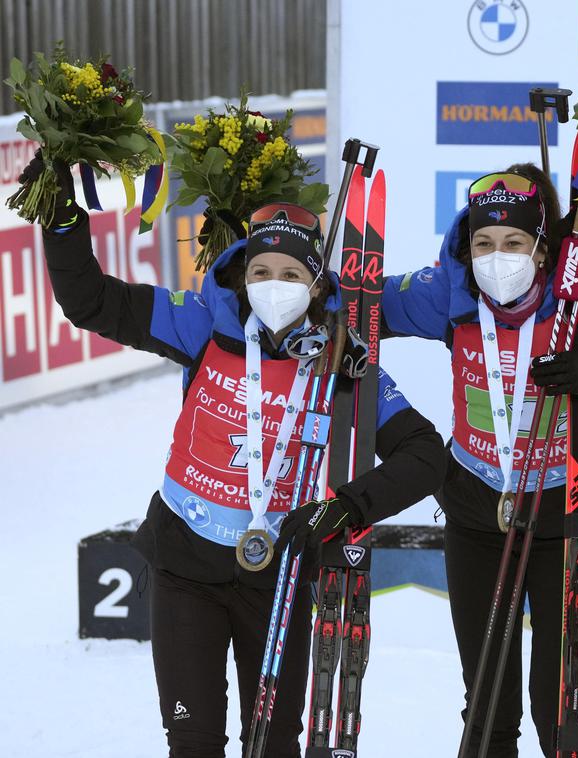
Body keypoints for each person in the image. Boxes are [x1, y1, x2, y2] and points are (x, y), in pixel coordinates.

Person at [23, 154, 446, 757]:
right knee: (192, 742)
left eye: (292, 275)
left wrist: (344, 509)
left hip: (278, 577)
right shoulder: (203, 325)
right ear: (241, 275)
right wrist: (63, 217)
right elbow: (90, 302)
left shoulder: (342, 366)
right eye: (261, 271)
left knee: (272, 744)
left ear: (318, 285)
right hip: (184, 568)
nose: (275, 286)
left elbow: (426, 455)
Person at [379, 164, 578, 756]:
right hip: (475, 513)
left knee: (563, 706)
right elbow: (358, 308)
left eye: (514, 243)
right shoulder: (451, 291)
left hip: (565, 521)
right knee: (487, 703)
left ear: (543, 251)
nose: (498, 257)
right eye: (484, 243)